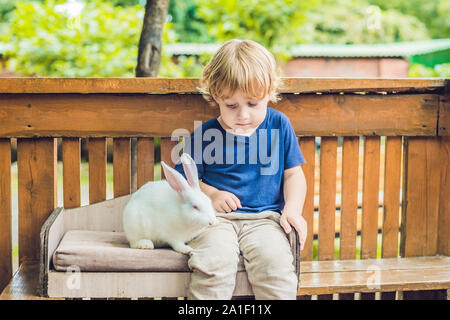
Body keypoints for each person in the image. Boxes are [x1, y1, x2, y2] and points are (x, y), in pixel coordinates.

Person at [173, 39, 307, 300]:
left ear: (270, 92)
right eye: (231, 106)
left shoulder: (279, 125)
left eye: (253, 104)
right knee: (214, 264)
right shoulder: (205, 134)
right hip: (214, 221)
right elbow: (181, 180)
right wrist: (211, 194)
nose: (243, 115)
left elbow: (293, 174)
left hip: (265, 220)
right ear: (215, 98)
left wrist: (292, 210)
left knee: (275, 267)